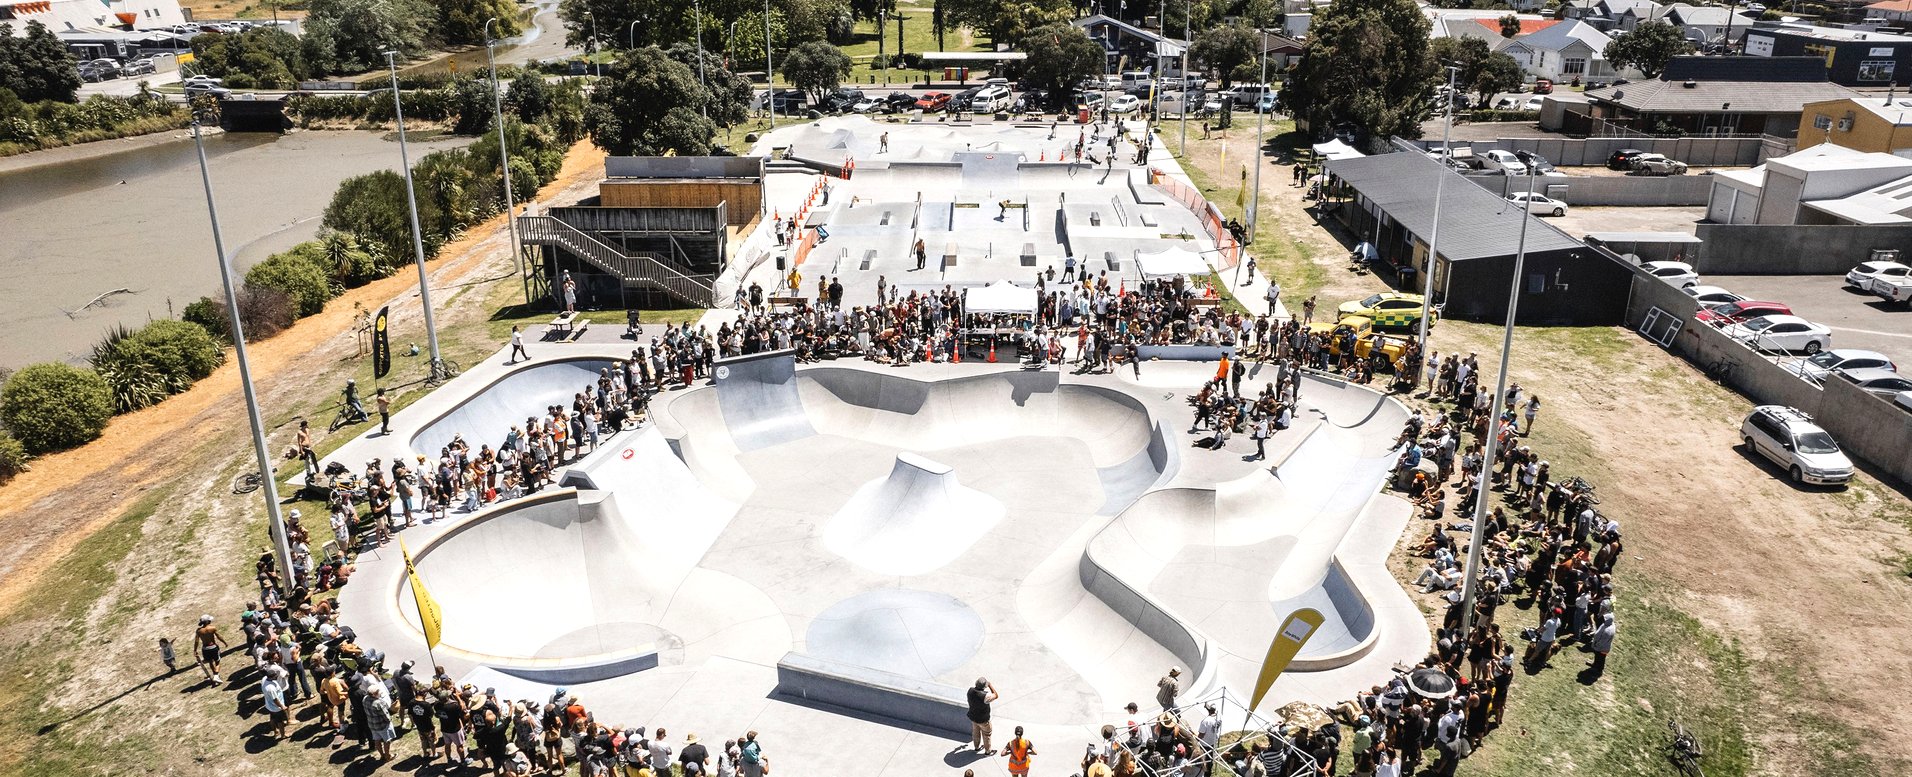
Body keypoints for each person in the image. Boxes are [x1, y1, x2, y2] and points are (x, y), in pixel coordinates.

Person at [967, 677, 999, 754]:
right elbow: (996, 695)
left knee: (976, 732)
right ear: (984, 686)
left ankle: (976, 747)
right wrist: (990, 685)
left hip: (973, 717)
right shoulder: (986, 696)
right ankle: (988, 751)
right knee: (987, 734)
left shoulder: (970, 691)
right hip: (983, 720)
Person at [194, 614, 227, 684]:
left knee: (210, 662)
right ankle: (216, 675)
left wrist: (195, 650)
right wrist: (224, 643)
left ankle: (216, 676)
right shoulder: (212, 628)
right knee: (217, 661)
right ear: (207, 621)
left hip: (205, 648)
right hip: (213, 647)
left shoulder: (199, 631)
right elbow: (219, 636)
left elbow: (196, 641)